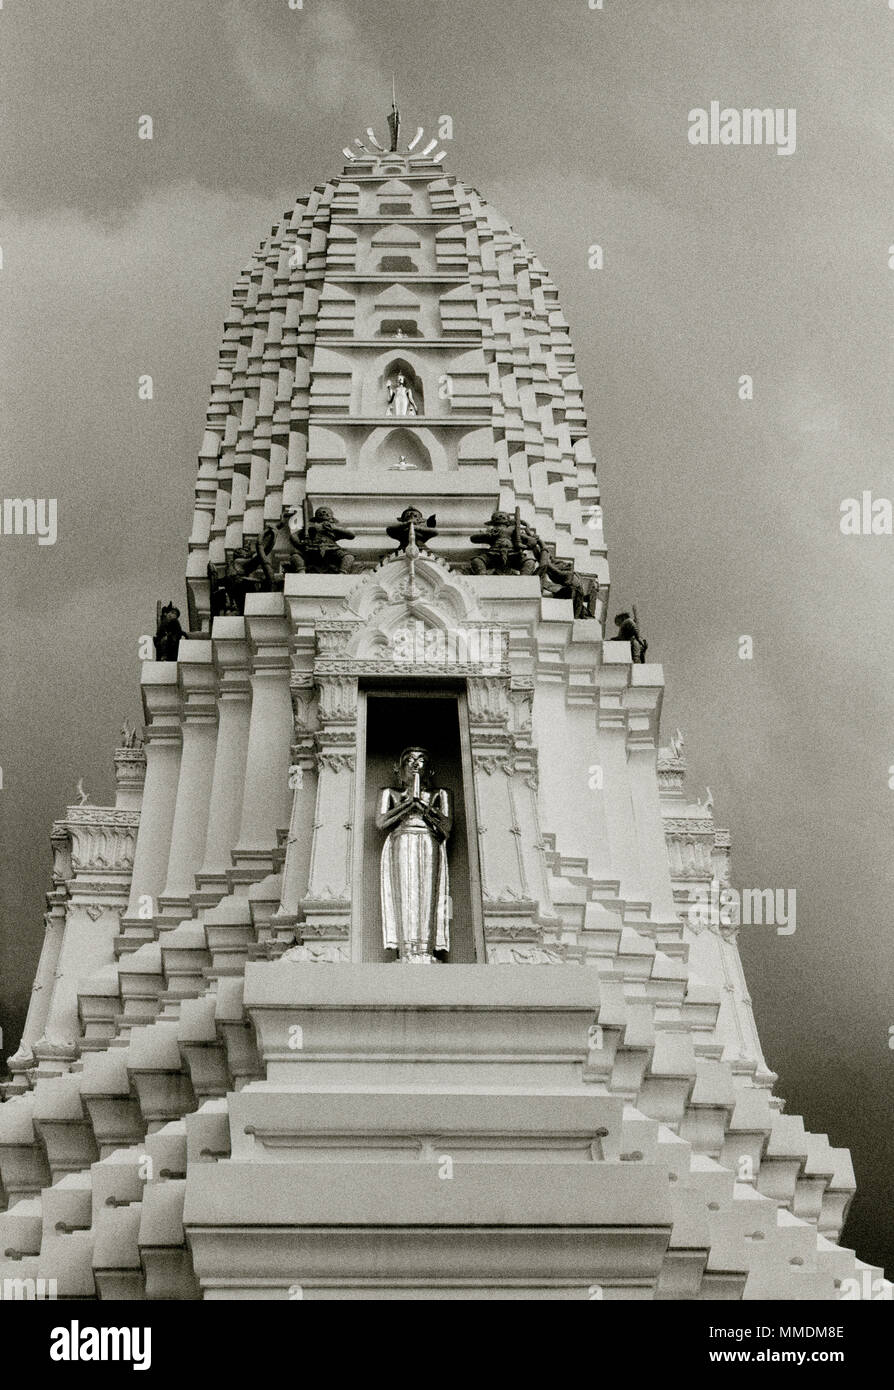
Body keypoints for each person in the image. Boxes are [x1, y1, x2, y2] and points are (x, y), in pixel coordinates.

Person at [376, 747, 452, 963]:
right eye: (409, 760)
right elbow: (381, 822)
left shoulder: (440, 794)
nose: (415, 764)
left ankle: (426, 950)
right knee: (403, 893)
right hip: (401, 839)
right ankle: (405, 950)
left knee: (428, 894)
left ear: (430, 770)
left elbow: (446, 827)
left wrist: (424, 807)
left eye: (421, 760)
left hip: (430, 840)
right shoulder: (390, 793)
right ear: (399, 768)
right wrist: (409, 803)